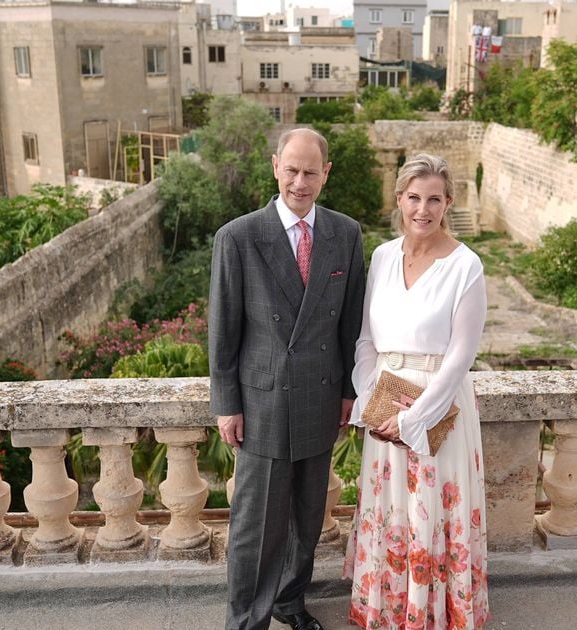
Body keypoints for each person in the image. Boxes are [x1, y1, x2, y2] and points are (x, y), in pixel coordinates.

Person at [209, 127, 366, 630]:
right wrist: (226, 403)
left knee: (307, 517)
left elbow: (351, 324)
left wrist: (348, 392)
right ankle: (245, 620)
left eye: (311, 171)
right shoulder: (237, 236)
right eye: (292, 169)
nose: (300, 181)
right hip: (264, 403)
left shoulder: (346, 234)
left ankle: (289, 601)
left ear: (327, 173)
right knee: (256, 527)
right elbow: (224, 329)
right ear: (275, 165)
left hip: (322, 398)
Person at [345, 154, 490, 629]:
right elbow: (366, 339)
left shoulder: (466, 266)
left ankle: (432, 614)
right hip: (383, 400)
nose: (422, 209)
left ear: (448, 203)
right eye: (413, 197)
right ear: (399, 199)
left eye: (434, 199)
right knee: (390, 508)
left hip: (437, 407)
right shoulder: (382, 256)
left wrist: (414, 418)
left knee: (431, 509)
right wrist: (371, 402)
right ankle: (387, 608)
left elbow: (460, 357)